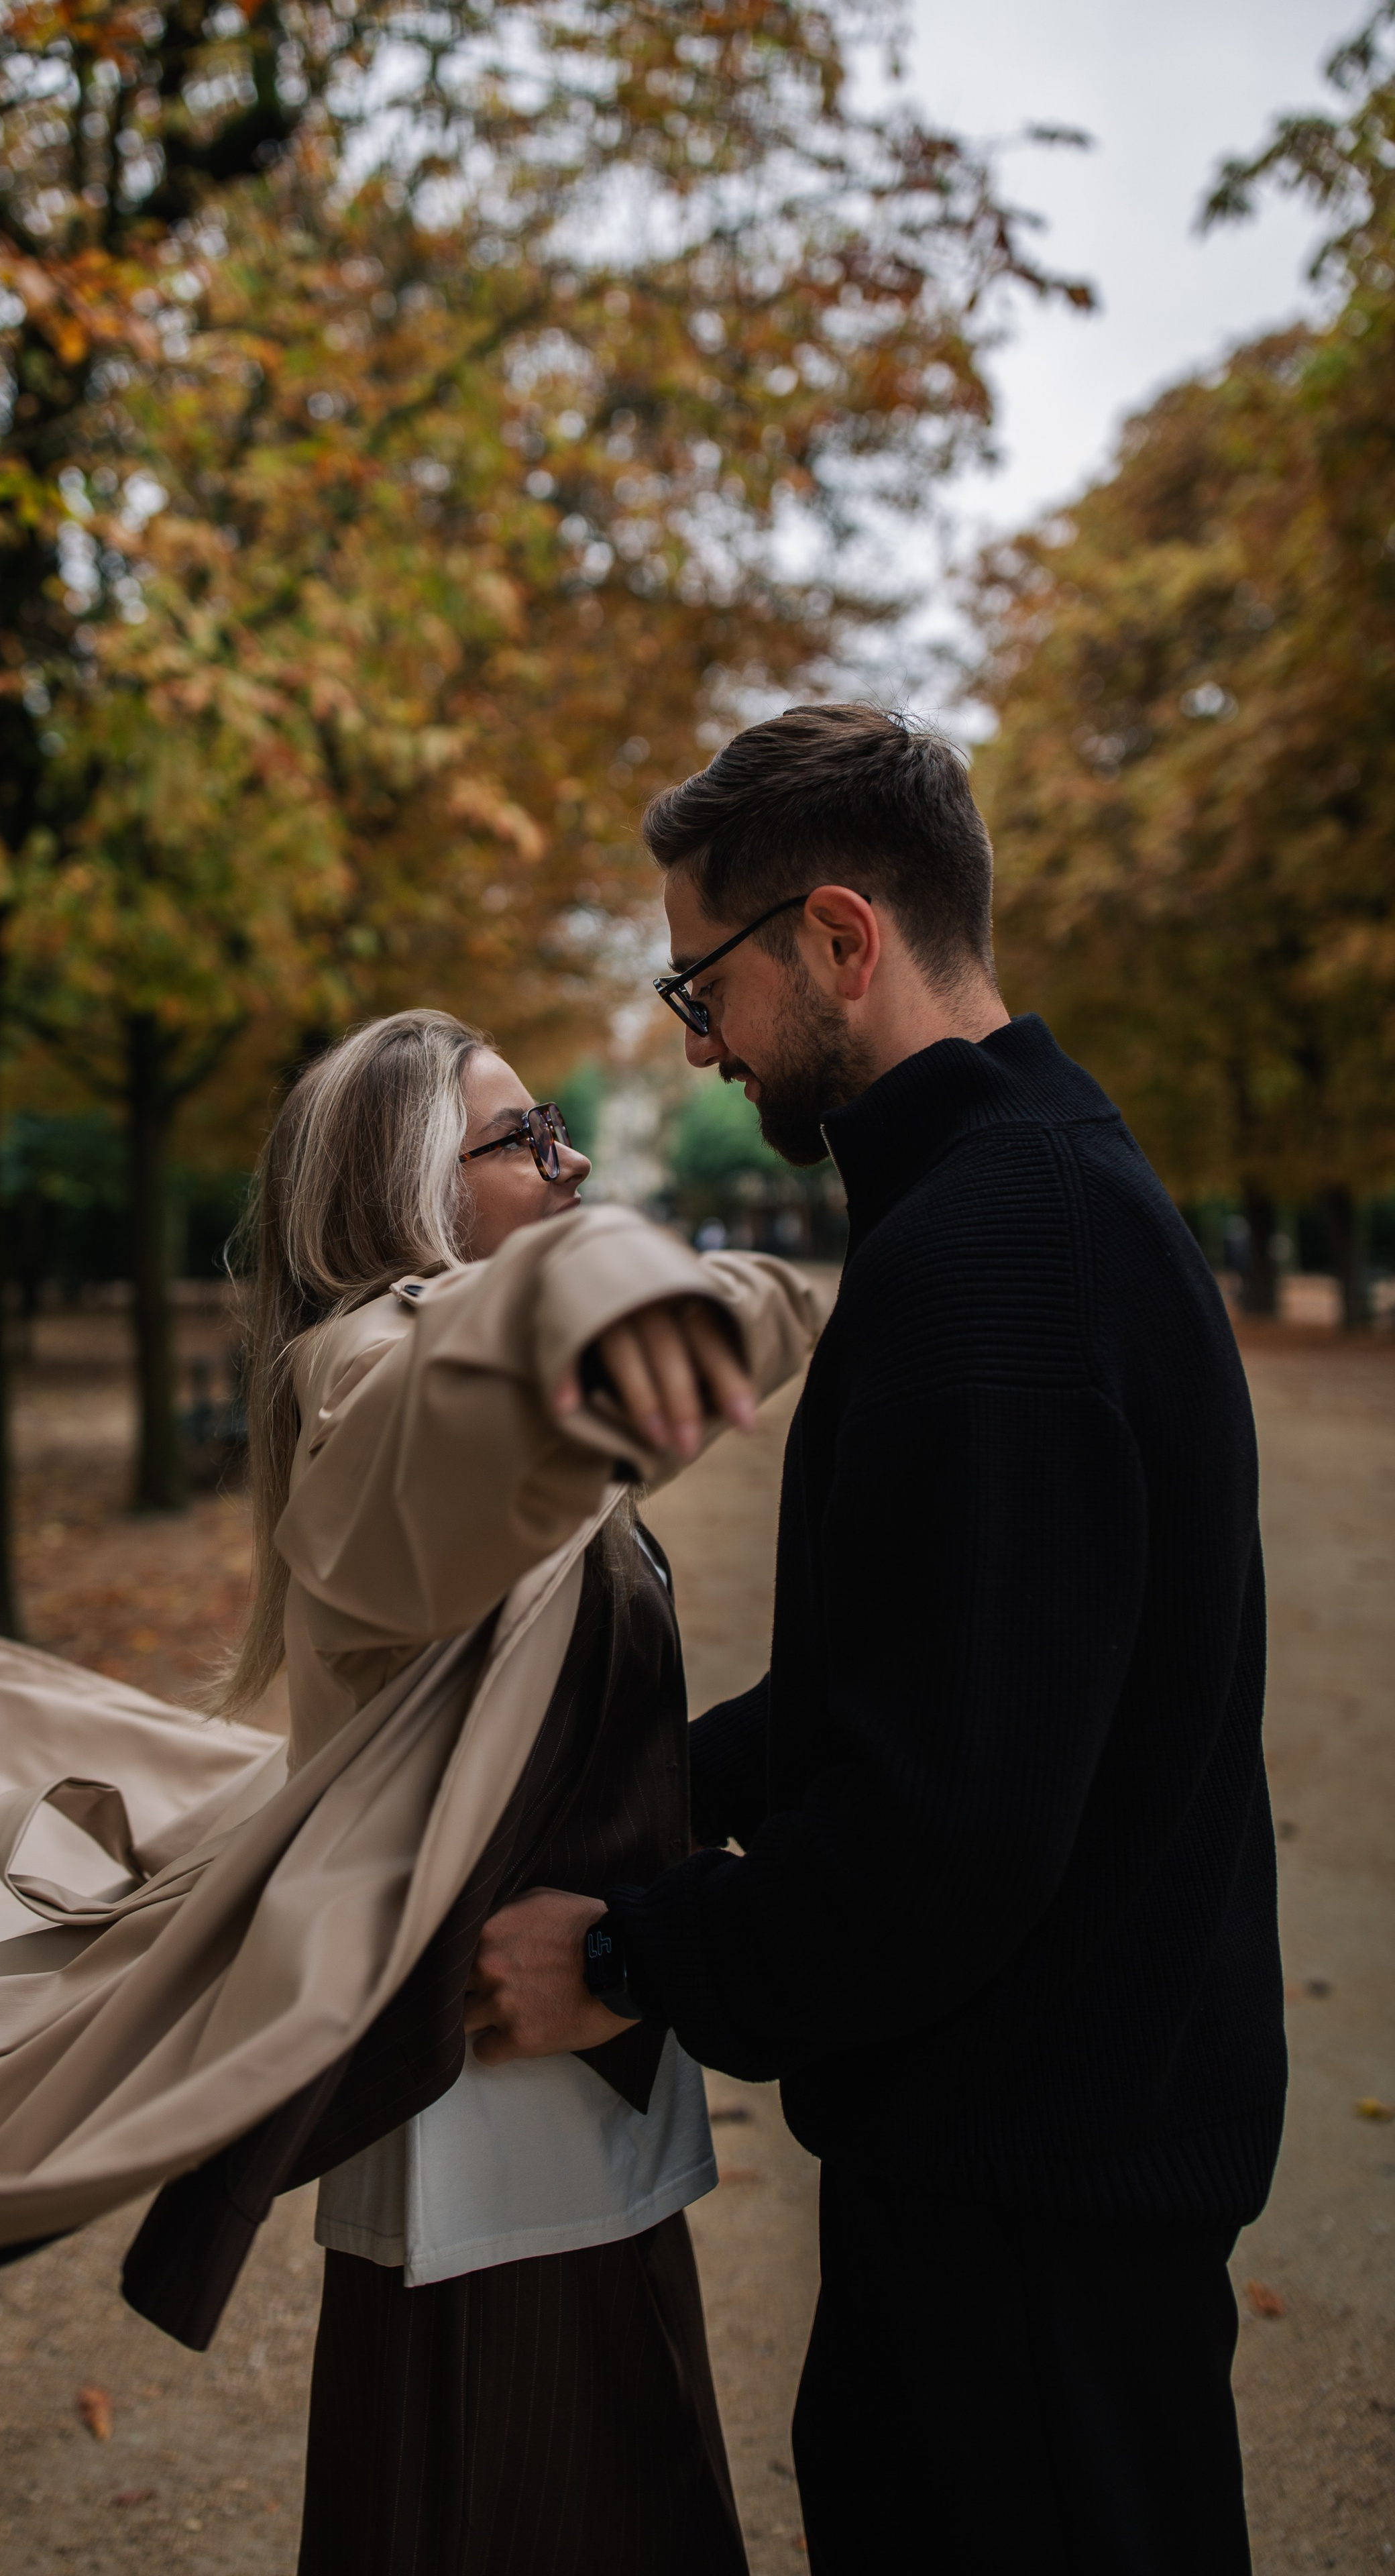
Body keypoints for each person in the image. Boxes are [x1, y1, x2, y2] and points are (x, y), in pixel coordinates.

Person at [466, 705, 1286, 2575]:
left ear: (840, 939)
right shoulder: (1025, 1187)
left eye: (707, 988)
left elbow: (950, 1829)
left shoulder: (1004, 1251)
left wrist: (628, 1954)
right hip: (1036, 2165)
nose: (703, 1046)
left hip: (1034, 2209)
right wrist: (639, 1784)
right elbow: (906, 1691)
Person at [207, 1010, 818, 2576]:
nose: (570, 1159)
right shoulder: (368, 1370)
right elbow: (475, 1419)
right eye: (520, 1138)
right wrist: (695, 1298)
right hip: (486, 2146)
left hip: (551, 2118)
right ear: (404, 1189)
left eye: (558, 1125)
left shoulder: (433, 1355)